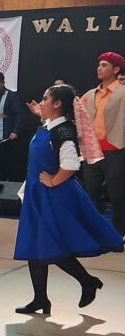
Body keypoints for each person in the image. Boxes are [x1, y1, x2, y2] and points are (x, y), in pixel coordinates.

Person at [14, 85, 123, 314]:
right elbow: (47, 129)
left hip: (53, 195)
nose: (40, 102)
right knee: (36, 246)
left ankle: (87, 281)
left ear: (57, 104)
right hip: (38, 194)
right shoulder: (49, 126)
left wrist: (53, 181)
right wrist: (40, 114)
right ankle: (41, 299)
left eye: (45, 99)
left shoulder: (63, 131)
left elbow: (71, 165)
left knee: (51, 247)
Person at [81, 52, 125, 235]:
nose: (99, 68)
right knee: (90, 192)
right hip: (93, 150)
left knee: (117, 194)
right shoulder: (90, 94)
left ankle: (117, 234)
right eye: (99, 64)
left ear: (116, 70)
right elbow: (76, 115)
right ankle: (95, 232)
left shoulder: (123, 92)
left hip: (116, 149)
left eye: (105, 65)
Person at [0, 71, 25, 181]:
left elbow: (19, 114)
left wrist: (15, 131)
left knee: (2, 163)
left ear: (3, 83)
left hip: (4, 136)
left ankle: (1, 185)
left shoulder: (11, 96)